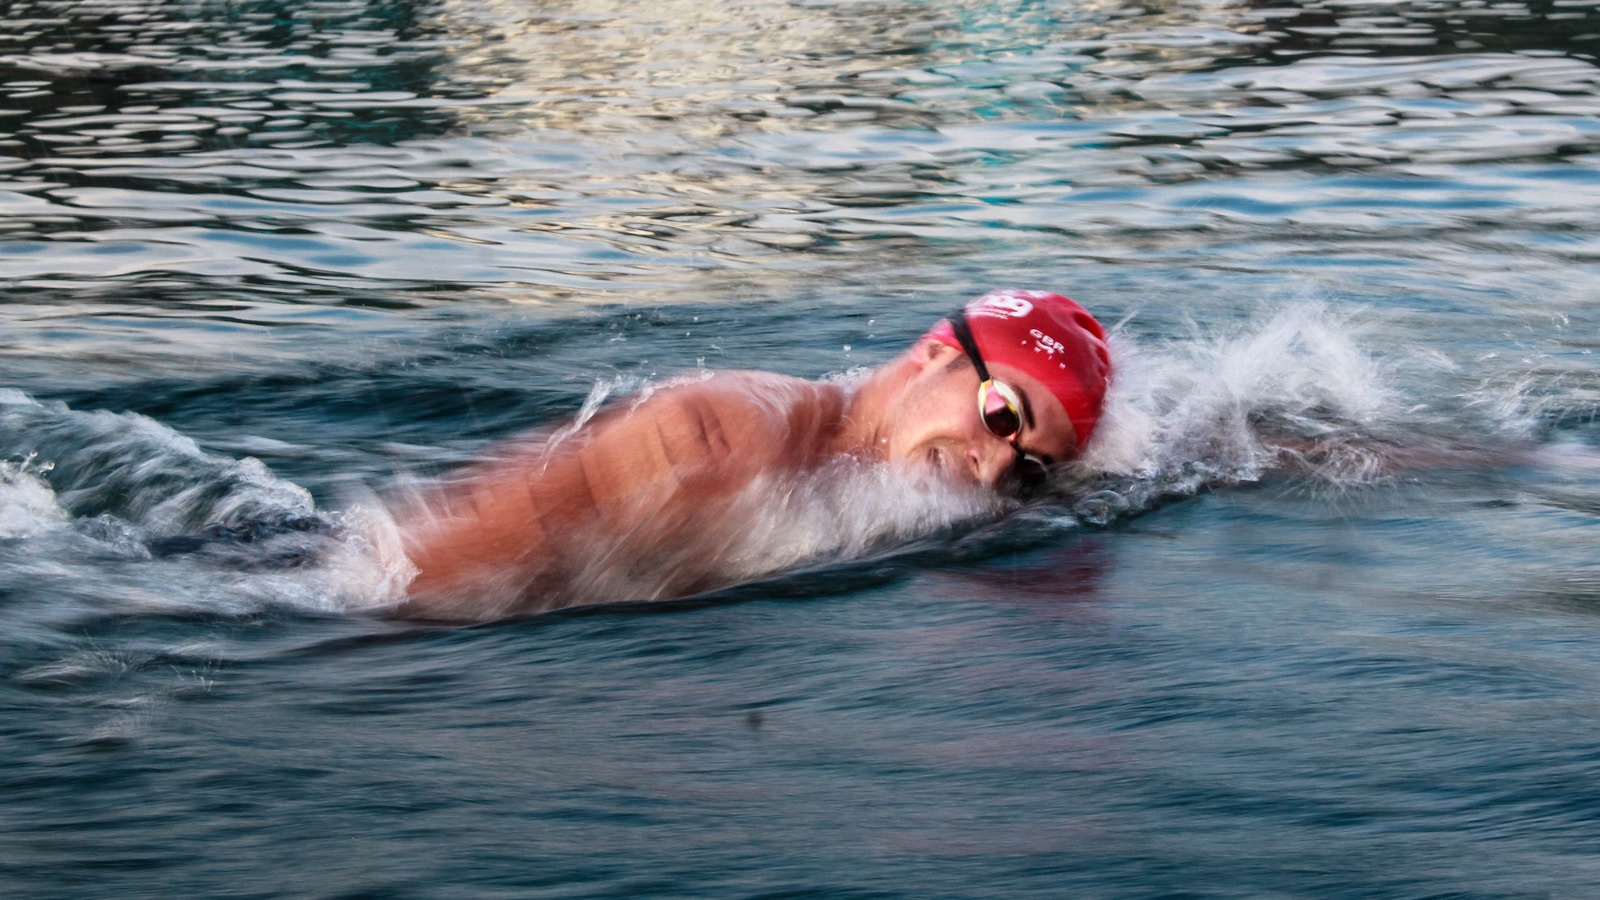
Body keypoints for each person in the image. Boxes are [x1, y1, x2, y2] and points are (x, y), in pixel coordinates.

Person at [392, 289, 1112, 621]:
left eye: (1029, 468)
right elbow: (415, 582)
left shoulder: (862, 481)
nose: (992, 468)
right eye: (1001, 415)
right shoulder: (726, 438)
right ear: (934, 355)